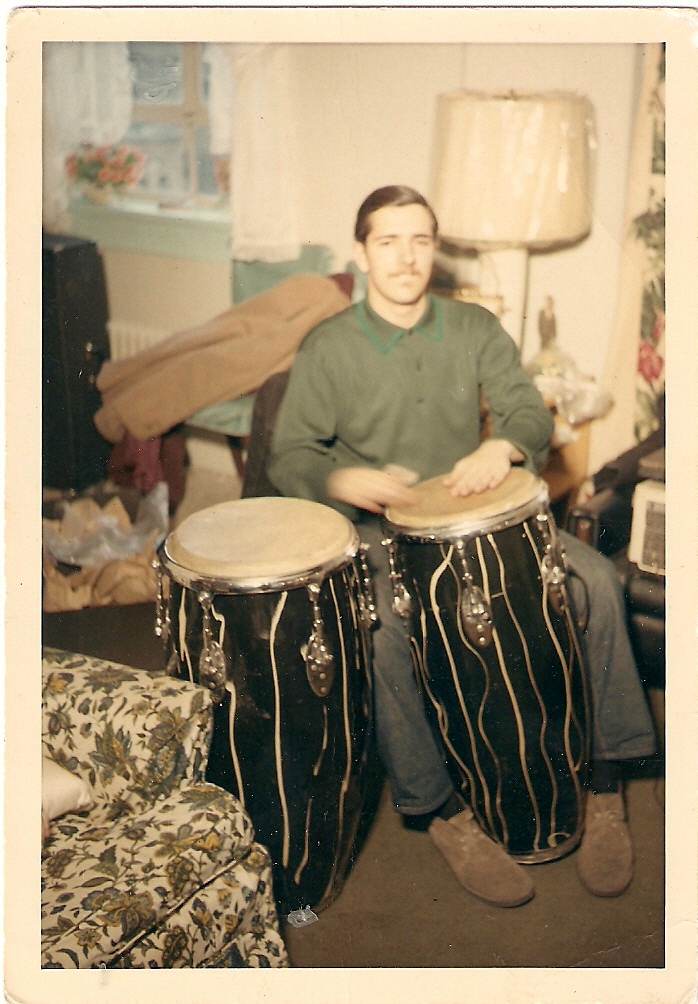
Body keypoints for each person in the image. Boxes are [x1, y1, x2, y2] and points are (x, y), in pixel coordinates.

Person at [267, 185, 656, 908]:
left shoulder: (474, 326)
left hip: (481, 520)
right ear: (361, 253)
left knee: (596, 583)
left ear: (435, 249)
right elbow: (289, 455)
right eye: (388, 241)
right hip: (383, 534)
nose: (406, 257)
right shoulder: (329, 346)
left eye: (420, 240)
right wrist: (339, 477)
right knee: (380, 629)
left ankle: (606, 786)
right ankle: (442, 811)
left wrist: (502, 445)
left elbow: (524, 411)